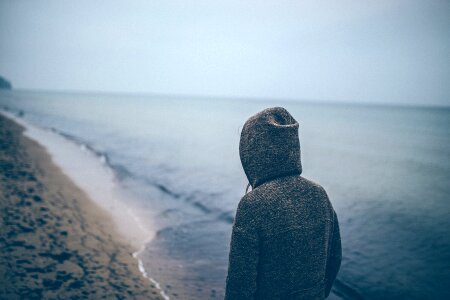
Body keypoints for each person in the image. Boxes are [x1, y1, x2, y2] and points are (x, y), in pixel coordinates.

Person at [225, 107, 341, 300]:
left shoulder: (253, 205)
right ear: (292, 147)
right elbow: (334, 260)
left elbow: (240, 285)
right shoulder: (319, 194)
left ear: (252, 153)